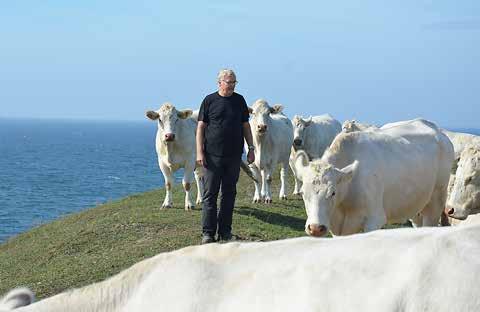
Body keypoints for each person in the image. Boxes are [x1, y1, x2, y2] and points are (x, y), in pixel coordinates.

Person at [196, 69, 255, 244]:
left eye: (234, 83)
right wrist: (199, 152)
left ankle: (225, 232)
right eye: (228, 82)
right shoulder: (209, 100)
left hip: (234, 156)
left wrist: (251, 148)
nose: (231, 86)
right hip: (212, 156)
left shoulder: (239, 101)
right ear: (219, 82)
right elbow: (200, 128)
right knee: (210, 195)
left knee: (229, 194)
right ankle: (208, 233)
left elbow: (246, 126)